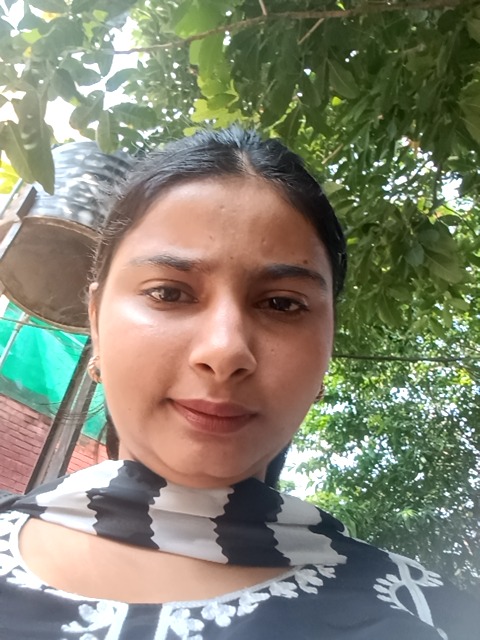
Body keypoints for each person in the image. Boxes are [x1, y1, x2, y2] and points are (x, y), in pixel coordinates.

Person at [0, 127, 477, 639]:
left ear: (326, 349)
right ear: (96, 321)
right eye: (168, 293)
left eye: (282, 303)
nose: (225, 351)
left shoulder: (431, 616)